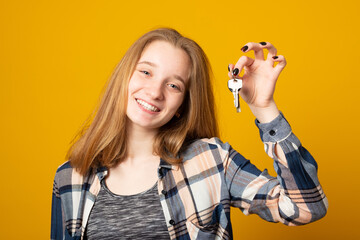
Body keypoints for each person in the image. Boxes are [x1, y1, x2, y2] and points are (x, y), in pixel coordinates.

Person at [51, 28, 328, 240]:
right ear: (124, 76)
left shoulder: (212, 160)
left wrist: (264, 108)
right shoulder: (70, 177)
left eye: (173, 85)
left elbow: (305, 208)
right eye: (146, 72)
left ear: (182, 105)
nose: (155, 92)